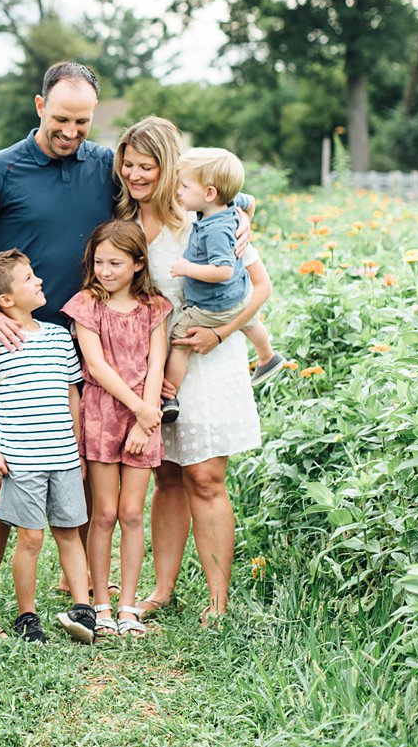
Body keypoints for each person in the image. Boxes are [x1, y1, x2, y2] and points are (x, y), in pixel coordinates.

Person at [0, 62, 111, 632]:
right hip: (18, 346)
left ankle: (75, 587)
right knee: (4, 474)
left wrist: (242, 213)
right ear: (39, 106)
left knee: (74, 463)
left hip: (86, 339)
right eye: (61, 118)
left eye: (82, 121)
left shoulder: (105, 165)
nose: (71, 131)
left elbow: (179, 179)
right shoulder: (1, 169)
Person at [112, 117, 271, 627]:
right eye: (129, 166)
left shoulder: (206, 218)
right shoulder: (125, 222)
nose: (137, 176)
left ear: (170, 169)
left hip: (210, 350)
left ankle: (219, 599)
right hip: (155, 358)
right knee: (167, 475)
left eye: (149, 167)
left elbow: (260, 288)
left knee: (207, 476)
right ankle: (162, 590)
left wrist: (220, 335)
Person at [0, 249, 96, 643]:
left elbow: (74, 395)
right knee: (32, 538)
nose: (39, 281)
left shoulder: (57, 337)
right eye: (28, 278)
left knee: (70, 530)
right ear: (5, 300)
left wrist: (77, 446)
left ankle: (82, 609)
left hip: (64, 458)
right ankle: (27, 616)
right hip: (21, 461)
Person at [60, 220, 172, 638]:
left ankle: (128, 605)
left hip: (145, 413)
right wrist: (140, 408)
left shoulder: (155, 308)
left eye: (115, 263)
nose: (104, 271)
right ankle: (100, 603)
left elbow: (157, 361)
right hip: (106, 413)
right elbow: (97, 365)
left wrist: (147, 418)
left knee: (131, 513)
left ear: (138, 263)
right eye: (99, 262)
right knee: (104, 512)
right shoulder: (86, 305)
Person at [159, 148, 282, 418]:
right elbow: (249, 201)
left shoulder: (215, 230)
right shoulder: (227, 204)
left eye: (184, 186)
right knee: (251, 321)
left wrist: (187, 268)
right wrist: (247, 215)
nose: (178, 191)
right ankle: (267, 356)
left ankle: (168, 396)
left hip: (212, 305)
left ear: (210, 194)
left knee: (180, 341)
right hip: (238, 295)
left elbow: (223, 270)